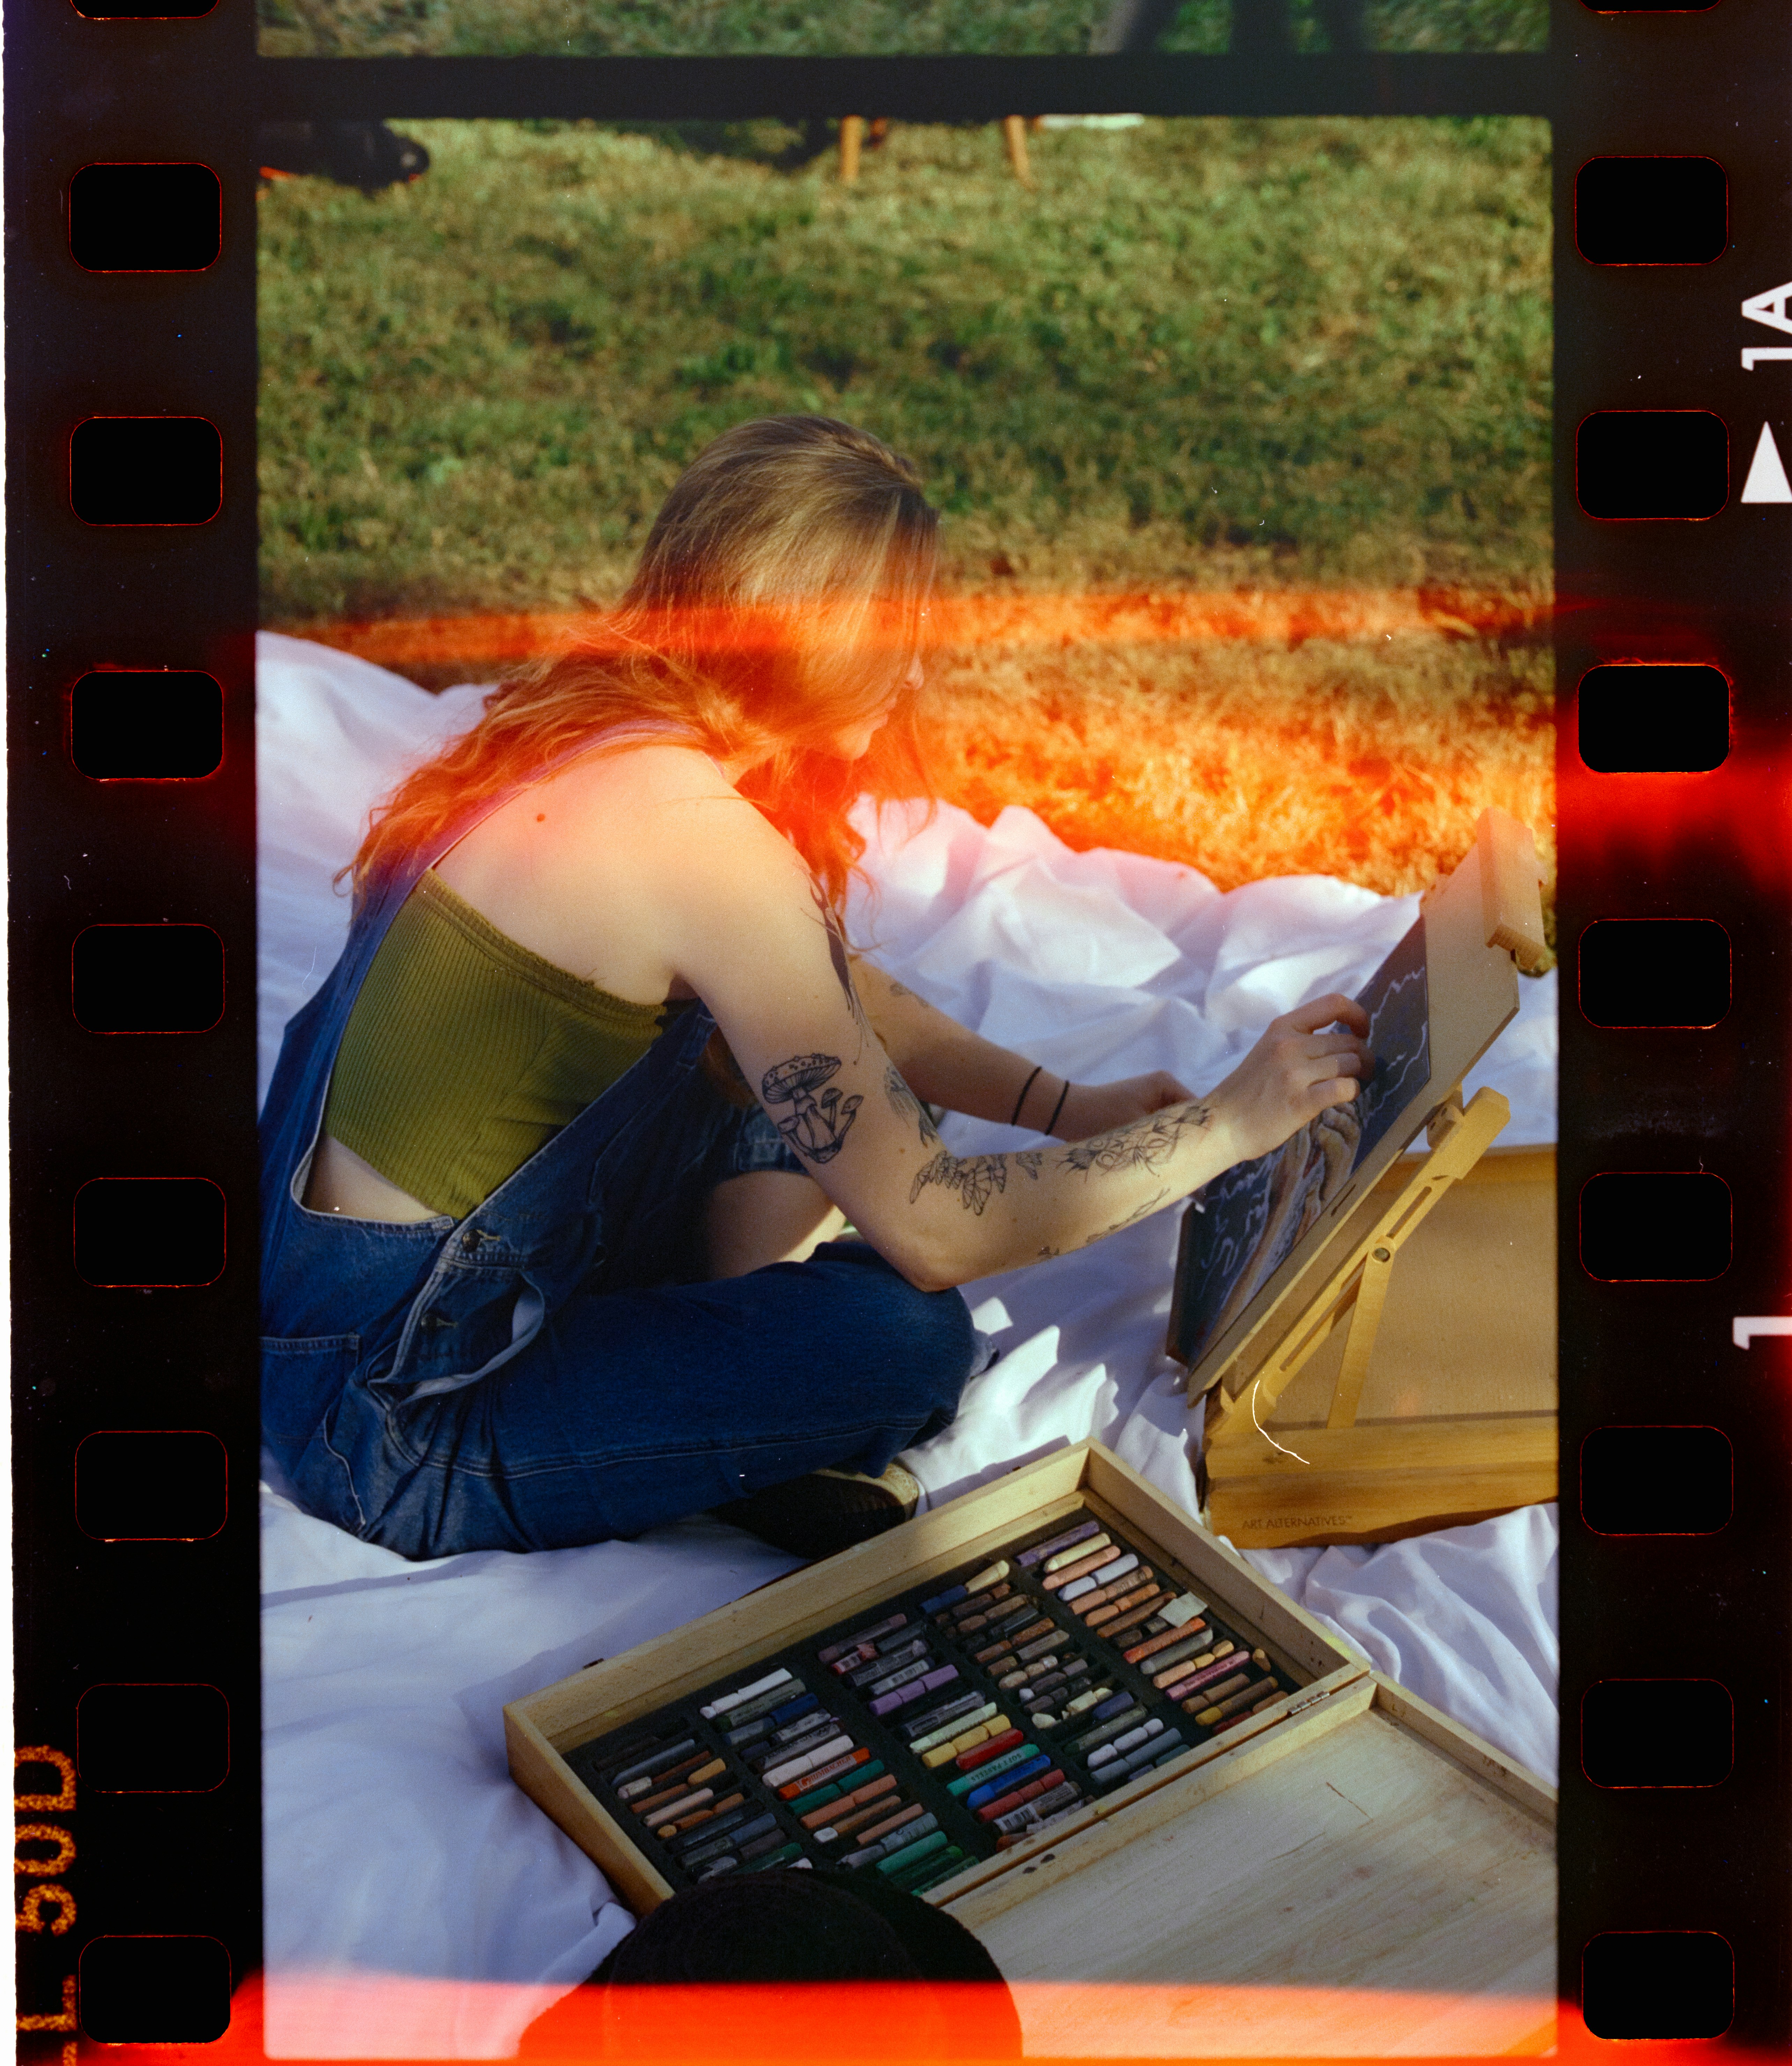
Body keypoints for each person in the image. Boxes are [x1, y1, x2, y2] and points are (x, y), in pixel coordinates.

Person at [259, 415, 1371, 1562]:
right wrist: (1225, 1126)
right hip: (398, 1422)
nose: (921, 672)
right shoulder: (696, 839)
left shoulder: (593, 726)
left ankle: (713, 1394)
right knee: (906, 1336)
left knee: (856, 1098)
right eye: (900, 639)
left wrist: (1067, 1109)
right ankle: (733, 1419)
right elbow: (935, 1230)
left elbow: (824, 1001)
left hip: (343, 1309)